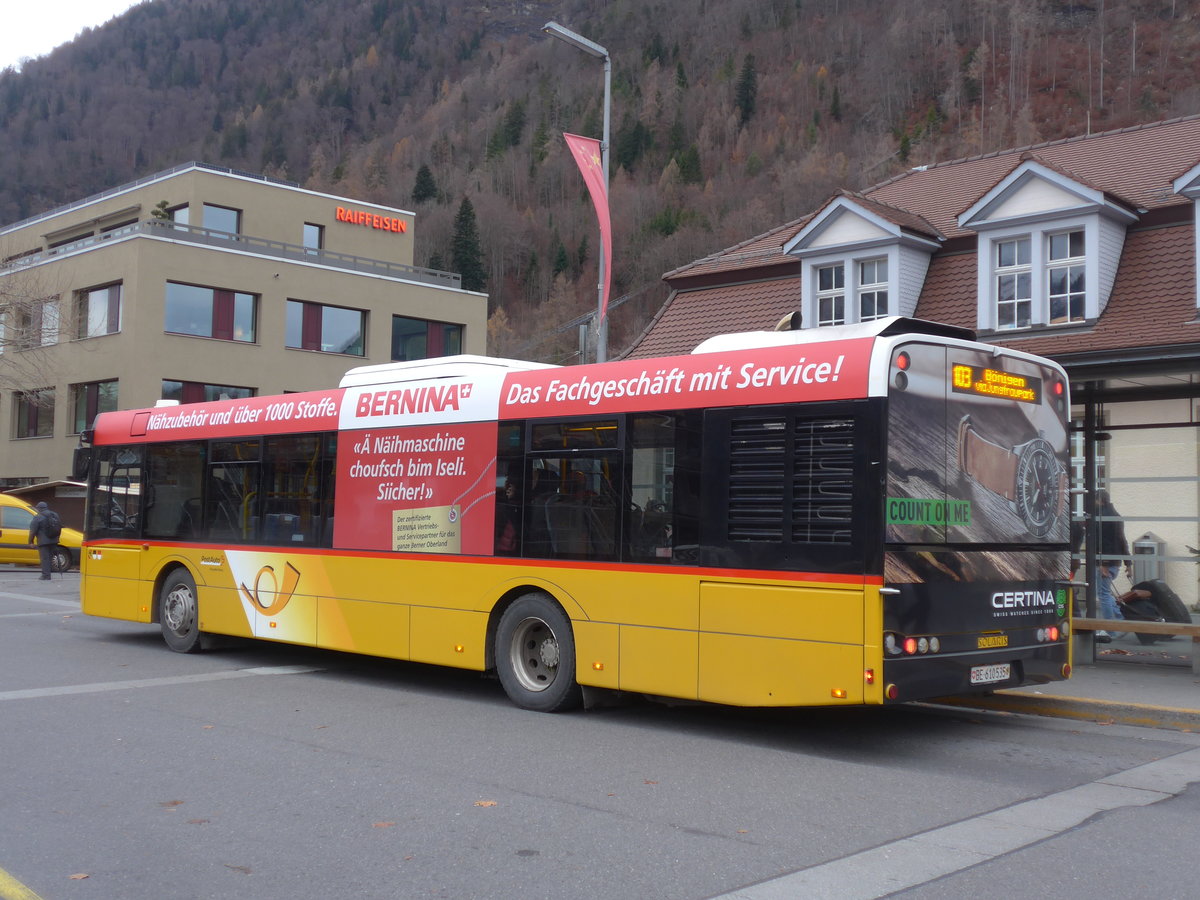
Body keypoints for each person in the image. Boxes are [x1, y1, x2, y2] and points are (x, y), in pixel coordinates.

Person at [1094, 490, 1131, 642]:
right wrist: (1128, 563)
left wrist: (1103, 564)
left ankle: (1112, 630)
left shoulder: (1101, 517)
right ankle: (1120, 622)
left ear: (1099, 500)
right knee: (1107, 594)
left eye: (1094, 501)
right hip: (1115, 564)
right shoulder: (1116, 516)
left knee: (1103, 595)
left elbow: (1101, 542)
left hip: (1106, 564)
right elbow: (1122, 541)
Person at [27, 501, 60, 581]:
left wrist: (31, 542)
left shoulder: (38, 517)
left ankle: (46, 575)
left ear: (39, 508)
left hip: (43, 542)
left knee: (44, 559)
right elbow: (59, 527)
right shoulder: (55, 515)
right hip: (54, 540)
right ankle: (48, 573)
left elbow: (33, 531)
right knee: (49, 558)